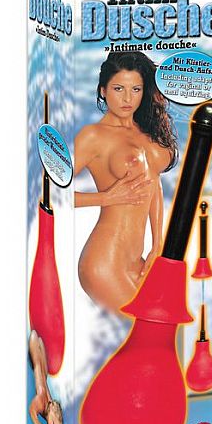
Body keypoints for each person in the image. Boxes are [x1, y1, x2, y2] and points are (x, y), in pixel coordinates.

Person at [75, 51, 178, 313]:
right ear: (103, 91)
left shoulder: (145, 131)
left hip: (137, 260)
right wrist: (105, 198)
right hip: (104, 262)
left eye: (136, 89)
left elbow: (152, 183)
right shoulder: (92, 136)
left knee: (165, 327)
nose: (128, 98)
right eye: (118, 88)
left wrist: (157, 244)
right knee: (141, 329)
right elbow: (50, 192)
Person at [28, 331, 73, 424]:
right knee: (34, 337)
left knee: (38, 343)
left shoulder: (55, 417)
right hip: (37, 355)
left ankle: (40, 343)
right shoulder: (42, 398)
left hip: (41, 365)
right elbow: (32, 413)